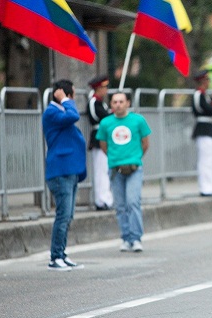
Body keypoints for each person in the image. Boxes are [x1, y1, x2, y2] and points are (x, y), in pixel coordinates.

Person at [96, 92, 151, 253]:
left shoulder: (138, 120)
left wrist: (135, 157)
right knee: (120, 205)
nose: (118, 104)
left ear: (128, 103)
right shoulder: (106, 123)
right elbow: (103, 144)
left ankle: (136, 238)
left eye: (121, 101)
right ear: (111, 104)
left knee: (132, 202)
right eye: (115, 102)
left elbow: (145, 143)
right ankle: (126, 238)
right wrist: (115, 158)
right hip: (115, 169)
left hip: (134, 168)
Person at [42, 79, 87, 271]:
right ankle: (55, 257)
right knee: (63, 215)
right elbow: (73, 116)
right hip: (60, 170)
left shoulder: (61, 111)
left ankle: (61, 253)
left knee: (68, 216)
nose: (74, 99)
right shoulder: (52, 112)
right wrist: (65, 100)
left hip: (70, 170)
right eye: (72, 95)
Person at [86, 75, 113, 211]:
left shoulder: (101, 102)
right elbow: (97, 117)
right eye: (104, 87)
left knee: (106, 170)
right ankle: (101, 200)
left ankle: (107, 198)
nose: (106, 90)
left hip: (105, 137)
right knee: (100, 170)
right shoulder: (93, 102)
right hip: (98, 138)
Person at [191, 70, 212, 196]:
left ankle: (209, 187)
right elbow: (207, 110)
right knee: (205, 160)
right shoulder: (198, 95)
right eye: (207, 80)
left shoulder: (204, 95)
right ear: (202, 81)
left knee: (208, 160)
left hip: (207, 128)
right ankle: (206, 188)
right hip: (203, 128)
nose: (208, 82)